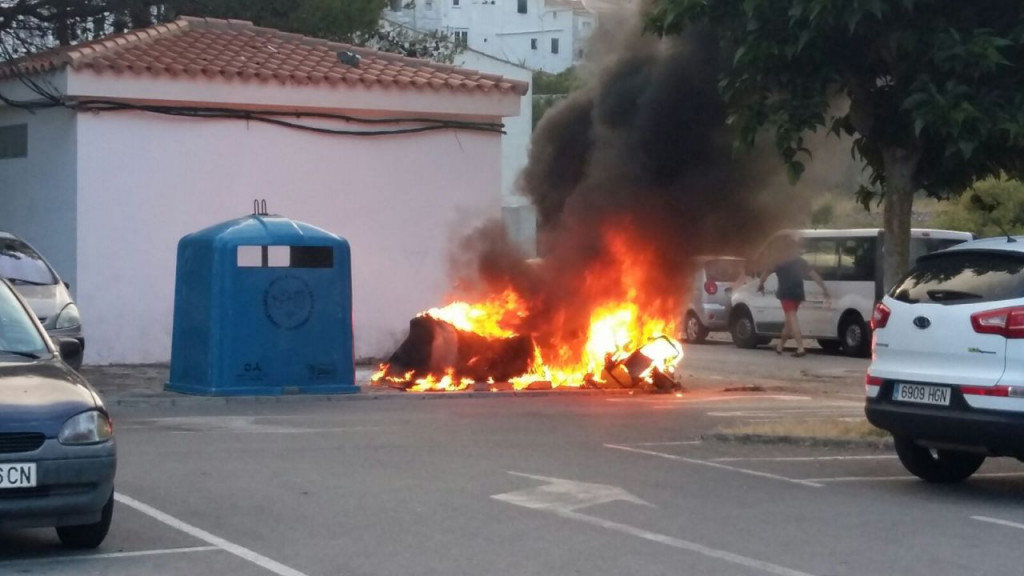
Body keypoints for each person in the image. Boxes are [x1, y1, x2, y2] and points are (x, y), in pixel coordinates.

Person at [757, 235, 829, 357]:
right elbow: (814, 275)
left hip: (786, 294)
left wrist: (760, 284)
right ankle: (780, 346)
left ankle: (800, 348)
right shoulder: (800, 261)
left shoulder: (779, 260)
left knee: (792, 319)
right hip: (798, 294)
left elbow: (765, 273)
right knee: (789, 322)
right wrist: (824, 288)